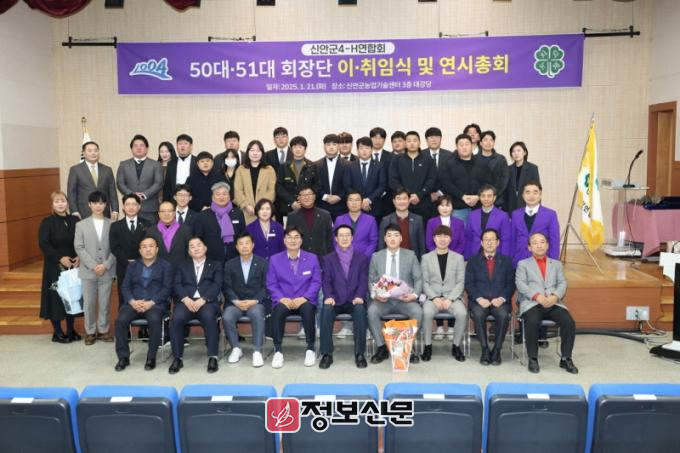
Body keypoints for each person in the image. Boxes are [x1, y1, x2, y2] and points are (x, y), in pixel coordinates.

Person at [516, 232, 578, 374]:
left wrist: (555, 297)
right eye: (535, 243)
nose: (539, 245)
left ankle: (566, 358)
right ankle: (533, 358)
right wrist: (537, 296)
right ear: (529, 247)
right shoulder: (523, 264)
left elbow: (562, 283)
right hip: (532, 303)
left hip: (553, 302)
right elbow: (520, 284)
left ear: (547, 245)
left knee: (569, 322)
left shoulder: (556, 264)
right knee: (532, 321)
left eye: (542, 242)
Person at [113, 237, 173, 371]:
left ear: (157, 249)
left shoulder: (165, 266)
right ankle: (123, 357)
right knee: (120, 321)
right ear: (140, 251)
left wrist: (151, 302)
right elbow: (125, 287)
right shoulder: (132, 266)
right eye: (144, 247)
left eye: (151, 246)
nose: (148, 249)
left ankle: (151, 358)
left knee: (154, 320)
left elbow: (167, 288)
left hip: (155, 304)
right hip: (134, 303)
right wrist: (132, 301)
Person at [266, 226, 322, 369]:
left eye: (296, 237)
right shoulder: (275, 259)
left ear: (301, 240)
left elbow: (316, 282)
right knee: (278, 311)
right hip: (284, 299)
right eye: (289, 237)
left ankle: (310, 348)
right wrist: (281, 298)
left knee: (308, 310)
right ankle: (278, 350)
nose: (293, 240)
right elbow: (271, 284)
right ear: (284, 240)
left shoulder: (312, 258)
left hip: (304, 299)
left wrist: (305, 297)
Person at [368, 223, 423, 365]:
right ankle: (381, 348)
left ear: (401, 238)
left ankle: (407, 347)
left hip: (404, 299)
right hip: (383, 301)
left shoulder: (410, 255)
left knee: (417, 312)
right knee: (372, 311)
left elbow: (418, 279)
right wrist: (375, 294)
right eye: (389, 235)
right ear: (384, 239)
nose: (392, 238)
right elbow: (371, 280)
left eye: (396, 235)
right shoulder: (376, 256)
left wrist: (414, 295)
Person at [169, 237, 224, 374]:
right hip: (187, 301)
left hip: (207, 302)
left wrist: (204, 299)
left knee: (209, 317)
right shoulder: (182, 266)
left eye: (199, 245)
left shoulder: (216, 265)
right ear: (189, 251)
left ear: (205, 248)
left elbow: (217, 284)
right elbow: (177, 284)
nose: (196, 248)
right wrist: (185, 298)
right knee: (176, 318)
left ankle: (213, 357)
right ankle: (177, 358)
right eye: (192, 246)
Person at [319, 225, 369, 369]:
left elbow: (363, 280)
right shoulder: (328, 259)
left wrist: (360, 296)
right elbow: (326, 281)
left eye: (347, 235)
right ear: (336, 238)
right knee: (326, 311)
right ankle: (327, 354)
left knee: (360, 311)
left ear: (352, 238)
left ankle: (359, 353)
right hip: (335, 299)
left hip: (354, 299)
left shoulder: (362, 258)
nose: (344, 238)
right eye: (341, 235)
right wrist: (328, 296)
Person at [465, 228, 515, 365]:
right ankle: (485, 350)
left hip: (500, 302)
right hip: (479, 301)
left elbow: (511, 284)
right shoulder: (473, 261)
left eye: (492, 240)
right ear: (481, 243)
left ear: (498, 242)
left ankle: (497, 350)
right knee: (478, 314)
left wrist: (502, 298)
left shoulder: (507, 261)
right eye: (486, 240)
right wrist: (479, 299)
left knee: (503, 315)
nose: (489, 242)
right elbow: (469, 284)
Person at [74, 191, 116, 345]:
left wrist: (105, 265)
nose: (98, 206)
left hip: (107, 270)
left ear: (105, 205)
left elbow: (116, 247)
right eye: (95, 203)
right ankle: (90, 332)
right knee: (89, 303)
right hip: (88, 271)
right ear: (89, 205)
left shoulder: (112, 224)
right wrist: (93, 266)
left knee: (105, 303)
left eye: (102, 203)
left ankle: (104, 330)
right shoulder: (81, 225)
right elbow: (79, 247)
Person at [420, 225, 467, 362]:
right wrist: (434, 298)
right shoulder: (426, 258)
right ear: (434, 239)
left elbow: (460, 282)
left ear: (450, 239)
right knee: (426, 312)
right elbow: (424, 282)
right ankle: (427, 346)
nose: (442, 239)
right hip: (432, 297)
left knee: (462, 313)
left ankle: (456, 346)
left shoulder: (458, 258)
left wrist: (450, 299)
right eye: (439, 236)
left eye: (446, 236)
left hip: (452, 297)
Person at [39, 191, 81, 343]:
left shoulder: (75, 220)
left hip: (73, 265)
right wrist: (60, 258)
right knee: (55, 298)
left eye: (62, 201)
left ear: (67, 203)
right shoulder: (47, 222)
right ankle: (57, 332)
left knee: (71, 297)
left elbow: (81, 240)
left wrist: (79, 256)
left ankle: (70, 330)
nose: (60, 204)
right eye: (57, 201)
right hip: (54, 266)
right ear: (52, 204)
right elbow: (43, 244)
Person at [222, 232, 269, 368]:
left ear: (253, 245)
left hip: (255, 303)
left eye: (247, 243)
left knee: (257, 314)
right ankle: (236, 348)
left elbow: (267, 286)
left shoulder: (263, 263)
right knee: (227, 316)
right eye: (241, 244)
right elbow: (226, 286)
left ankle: (257, 351)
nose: (244, 246)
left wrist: (255, 300)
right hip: (236, 303)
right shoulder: (230, 264)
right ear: (236, 247)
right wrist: (235, 301)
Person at [110, 194, 150, 308]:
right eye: (128, 204)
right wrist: (127, 261)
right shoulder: (115, 226)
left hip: (144, 266)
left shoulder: (147, 224)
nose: (131, 207)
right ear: (123, 207)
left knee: (143, 295)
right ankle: (124, 318)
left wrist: (139, 261)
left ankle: (143, 319)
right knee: (124, 298)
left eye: (134, 204)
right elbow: (114, 247)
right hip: (123, 267)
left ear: (139, 207)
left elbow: (150, 245)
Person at [193, 182, 246, 263]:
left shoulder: (238, 213)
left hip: (234, 258)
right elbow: (199, 238)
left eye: (224, 194)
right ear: (212, 197)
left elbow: (243, 235)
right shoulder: (203, 215)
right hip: (211, 259)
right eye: (218, 194)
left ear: (229, 196)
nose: (221, 197)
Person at [389, 131, 437, 221]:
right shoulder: (397, 159)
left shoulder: (428, 159)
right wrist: (406, 195)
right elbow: (393, 180)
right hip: (402, 204)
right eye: (409, 141)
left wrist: (419, 195)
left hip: (423, 203)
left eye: (415, 140)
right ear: (405, 143)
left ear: (419, 142)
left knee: (422, 228)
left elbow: (431, 180)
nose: (412, 143)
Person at [441, 133, 488, 224]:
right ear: (457, 147)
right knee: (458, 232)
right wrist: (462, 196)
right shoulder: (449, 164)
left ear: (472, 146)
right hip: (458, 208)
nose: (464, 147)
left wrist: (478, 196)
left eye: (467, 144)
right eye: (461, 145)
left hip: (479, 207)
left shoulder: (482, 163)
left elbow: (487, 183)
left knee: (478, 232)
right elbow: (447, 184)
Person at [510, 181, 560, 267]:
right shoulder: (516, 214)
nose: (531, 196)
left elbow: (554, 241)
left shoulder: (550, 214)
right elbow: (512, 239)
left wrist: (553, 263)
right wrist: (512, 260)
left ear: (540, 195)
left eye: (535, 192)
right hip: (519, 260)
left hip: (542, 260)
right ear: (523, 195)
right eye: (528, 192)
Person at [117, 134, 164, 223]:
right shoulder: (123, 165)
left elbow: (159, 183)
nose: (138, 148)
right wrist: (132, 195)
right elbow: (120, 183)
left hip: (150, 208)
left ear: (147, 148)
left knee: (150, 231)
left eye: (141, 145)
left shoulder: (156, 164)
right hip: (130, 208)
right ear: (131, 149)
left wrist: (144, 195)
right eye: (135, 145)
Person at [67, 141, 119, 220]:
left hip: (104, 211)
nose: (93, 153)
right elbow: (71, 193)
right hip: (83, 212)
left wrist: (115, 209)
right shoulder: (75, 170)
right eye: (90, 151)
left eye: (95, 150)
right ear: (83, 153)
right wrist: (74, 211)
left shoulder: (107, 170)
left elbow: (112, 191)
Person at [234, 140, 277, 224]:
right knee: (249, 232)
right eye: (252, 150)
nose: (255, 153)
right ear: (248, 152)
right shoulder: (241, 169)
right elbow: (238, 190)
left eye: (258, 151)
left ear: (262, 153)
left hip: (265, 211)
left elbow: (272, 190)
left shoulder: (269, 169)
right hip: (247, 211)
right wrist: (246, 205)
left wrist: (261, 206)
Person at [464, 185, 512, 260]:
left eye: (489, 196)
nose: (486, 199)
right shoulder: (472, 215)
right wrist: (467, 258)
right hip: (475, 254)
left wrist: (504, 259)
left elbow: (505, 240)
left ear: (494, 198)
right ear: (479, 197)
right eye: (483, 196)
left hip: (496, 255)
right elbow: (468, 238)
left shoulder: (503, 215)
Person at [286, 186, 334, 258]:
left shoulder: (325, 215)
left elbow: (329, 239)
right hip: (300, 258)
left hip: (321, 258)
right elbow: (290, 239)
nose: (306, 197)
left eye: (309, 194)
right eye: (303, 195)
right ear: (299, 198)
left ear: (314, 197)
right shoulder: (292, 216)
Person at [276, 135, 317, 219]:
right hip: (288, 207)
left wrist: (305, 200)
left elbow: (316, 186)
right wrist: (292, 202)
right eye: (295, 147)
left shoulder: (312, 166)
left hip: (307, 207)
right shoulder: (284, 166)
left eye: (300, 147)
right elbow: (279, 187)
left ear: (305, 149)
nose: (297, 149)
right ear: (291, 149)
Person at [343, 136, 386, 217]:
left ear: (371, 149)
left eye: (367, 148)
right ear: (357, 150)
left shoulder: (379, 165)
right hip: (355, 208)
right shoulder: (350, 166)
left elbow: (382, 186)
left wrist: (369, 200)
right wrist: (360, 201)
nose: (364, 150)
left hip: (374, 207)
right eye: (361, 148)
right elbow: (347, 186)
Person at [378, 188, 425, 260]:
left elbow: (422, 246)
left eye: (404, 199)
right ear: (394, 201)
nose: (402, 202)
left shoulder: (418, 220)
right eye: (398, 199)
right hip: (392, 261)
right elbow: (381, 246)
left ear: (409, 200)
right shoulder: (386, 220)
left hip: (412, 261)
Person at [146, 201, 192, 268]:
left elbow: (189, 253)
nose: (166, 214)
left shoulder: (185, 230)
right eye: (163, 211)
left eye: (169, 211)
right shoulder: (151, 231)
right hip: (158, 270)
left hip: (180, 270)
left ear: (174, 213)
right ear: (159, 214)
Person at [315, 133, 349, 221]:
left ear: (338, 146)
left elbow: (349, 185)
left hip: (342, 207)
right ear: (324, 146)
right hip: (321, 206)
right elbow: (315, 185)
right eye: (328, 144)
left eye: (334, 144)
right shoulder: (315, 165)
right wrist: (325, 196)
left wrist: (339, 196)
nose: (331, 147)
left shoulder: (348, 165)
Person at [334, 191, 378, 257]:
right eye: (351, 200)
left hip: (364, 258)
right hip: (342, 258)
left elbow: (373, 242)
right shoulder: (339, 220)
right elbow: (335, 240)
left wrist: (364, 257)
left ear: (362, 202)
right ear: (347, 203)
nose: (354, 203)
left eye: (357, 200)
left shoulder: (371, 220)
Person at [264, 127, 292, 222]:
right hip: (274, 198)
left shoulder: (295, 154)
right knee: (276, 226)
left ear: (287, 138)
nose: (281, 139)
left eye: (283, 136)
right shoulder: (267, 155)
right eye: (277, 137)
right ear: (274, 139)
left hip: (290, 198)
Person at [421, 127, 454, 209]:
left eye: (437, 137)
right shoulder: (420, 155)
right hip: (424, 198)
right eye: (431, 137)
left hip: (445, 199)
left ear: (441, 139)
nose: (434, 140)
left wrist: (439, 193)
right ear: (426, 140)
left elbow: (452, 178)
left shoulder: (450, 156)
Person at [506, 141, 541, 213]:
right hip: (511, 206)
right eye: (513, 151)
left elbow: (536, 189)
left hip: (528, 204)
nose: (516, 153)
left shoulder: (532, 168)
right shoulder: (508, 169)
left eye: (519, 150)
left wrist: (537, 208)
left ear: (524, 152)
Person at [370, 127, 395, 223]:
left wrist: (383, 191)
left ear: (384, 140)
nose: (377, 141)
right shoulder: (364, 157)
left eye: (380, 138)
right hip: (369, 201)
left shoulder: (392, 157)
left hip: (387, 201)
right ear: (370, 139)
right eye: (375, 138)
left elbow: (393, 178)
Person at [478, 131, 509, 208]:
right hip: (478, 201)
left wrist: (493, 196)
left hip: (497, 200)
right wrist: (479, 196)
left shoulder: (501, 159)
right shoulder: (474, 159)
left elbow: (504, 180)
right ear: (481, 143)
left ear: (494, 143)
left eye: (491, 140)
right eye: (485, 140)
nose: (488, 142)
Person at [163, 134, 197, 201]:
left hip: (193, 200)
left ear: (191, 146)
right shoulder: (171, 163)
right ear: (176, 146)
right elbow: (167, 186)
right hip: (175, 199)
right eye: (180, 143)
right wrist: (166, 202)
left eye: (185, 143)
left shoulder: (197, 161)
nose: (182, 146)